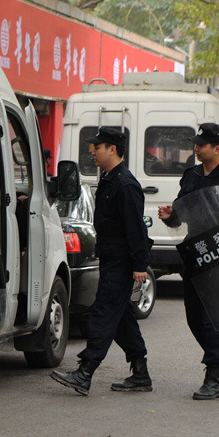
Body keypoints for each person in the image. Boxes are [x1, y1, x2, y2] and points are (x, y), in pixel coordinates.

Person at [50, 127, 151, 395]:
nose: (92, 151)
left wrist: (140, 265)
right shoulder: (109, 178)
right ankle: (140, 372)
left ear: (113, 149)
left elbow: (136, 228)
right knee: (121, 317)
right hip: (110, 257)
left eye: (98, 146)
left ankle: (85, 372)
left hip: (121, 260)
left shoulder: (126, 184)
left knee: (103, 312)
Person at [158, 122, 219, 400]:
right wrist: (170, 215)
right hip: (195, 251)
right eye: (195, 144)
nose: (196, 148)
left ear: (217, 148)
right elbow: (181, 212)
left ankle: (214, 374)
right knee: (195, 317)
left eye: (202, 145)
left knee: (216, 317)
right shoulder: (192, 175)